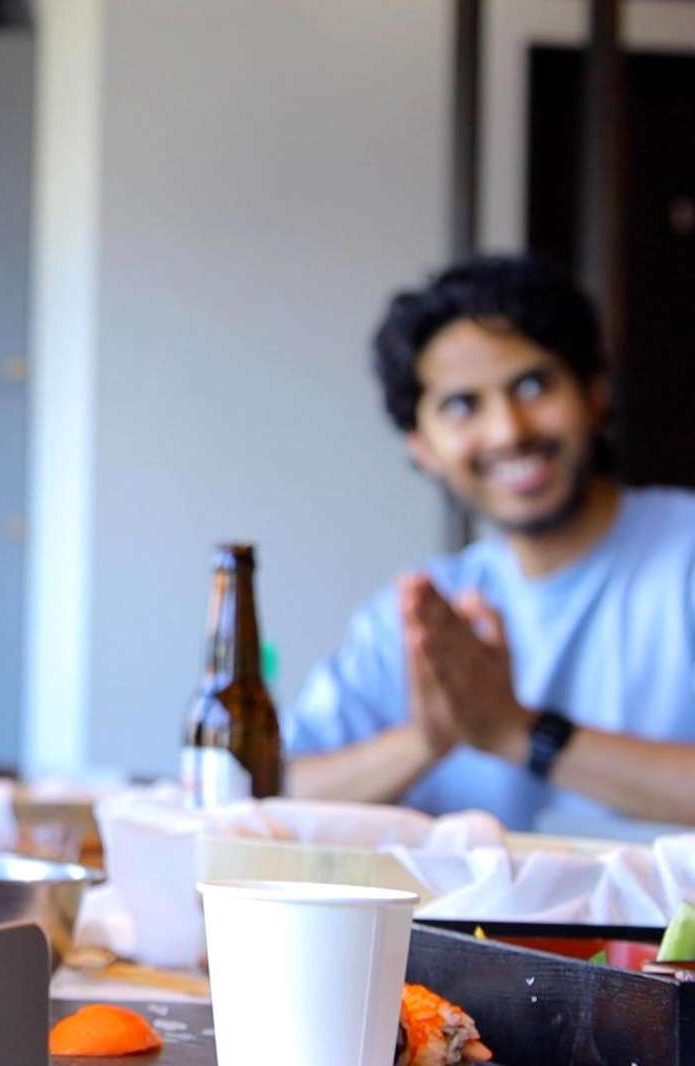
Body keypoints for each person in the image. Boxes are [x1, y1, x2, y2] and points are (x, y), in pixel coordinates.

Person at [286, 256, 695, 833]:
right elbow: (266, 794)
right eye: (461, 405)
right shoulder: (421, 612)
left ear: (595, 394)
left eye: (533, 385)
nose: (508, 431)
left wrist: (520, 734)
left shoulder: (683, 558)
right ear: (421, 445)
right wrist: (426, 741)